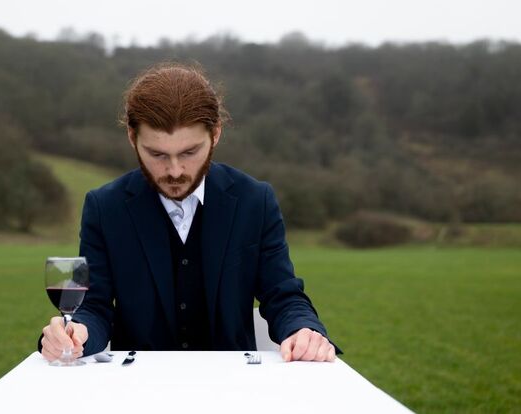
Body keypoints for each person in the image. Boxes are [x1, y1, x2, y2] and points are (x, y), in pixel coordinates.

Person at [39, 62, 340, 362]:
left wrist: (304, 329)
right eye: (157, 154)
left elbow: (283, 296)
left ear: (216, 134)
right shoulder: (104, 207)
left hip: (235, 390)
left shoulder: (255, 200)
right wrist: (75, 331)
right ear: (133, 138)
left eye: (189, 152)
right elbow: (94, 306)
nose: (175, 171)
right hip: (136, 390)